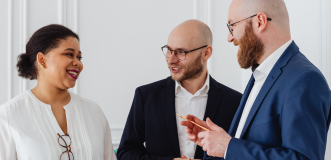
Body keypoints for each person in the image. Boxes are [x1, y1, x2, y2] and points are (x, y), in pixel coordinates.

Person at [181, 0, 331, 159]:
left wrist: (228, 147)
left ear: (260, 21)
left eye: (233, 26)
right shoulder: (260, 75)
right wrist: (213, 141)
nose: (229, 38)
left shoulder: (304, 80)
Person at [117, 20, 242, 160]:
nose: (171, 60)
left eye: (181, 52)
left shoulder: (235, 101)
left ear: (206, 53)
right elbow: (126, 154)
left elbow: (239, 154)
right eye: (169, 50)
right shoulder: (146, 96)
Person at [0, 24, 117, 160]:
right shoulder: (9, 115)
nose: (78, 63)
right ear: (42, 60)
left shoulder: (94, 112)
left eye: (79, 57)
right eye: (69, 54)